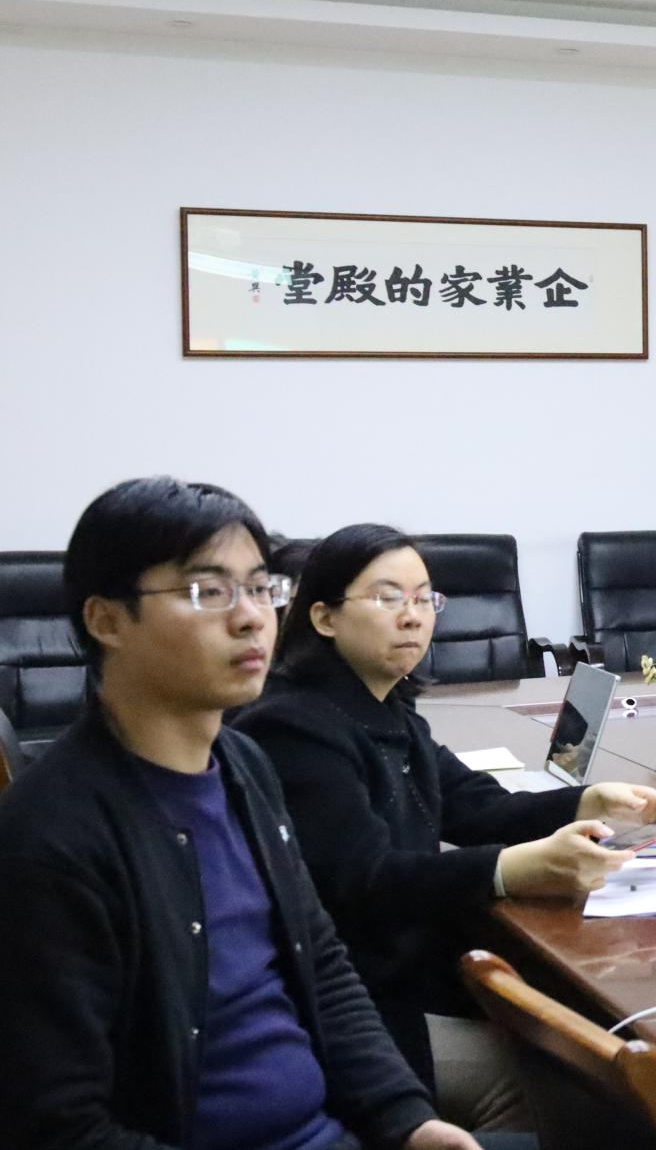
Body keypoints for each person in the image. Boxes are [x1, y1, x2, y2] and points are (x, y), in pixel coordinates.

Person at [0, 478, 491, 1150]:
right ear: (106, 620)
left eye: (261, 588)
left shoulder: (243, 764)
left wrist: (409, 1121)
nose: (252, 617)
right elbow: (60, 1128)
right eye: (209, 591)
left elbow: (321, 965)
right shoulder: (52, 838)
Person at [238, 524, 656, 1129]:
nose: (413, 616)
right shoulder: (295, 727)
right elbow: (368, 881)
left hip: (413, 976)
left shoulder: (383, 705)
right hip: (356, 1007)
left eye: (425, 599)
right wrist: (508, 870)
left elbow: (475, 805)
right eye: (388, 597)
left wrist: (586, 801)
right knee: (575, 1089)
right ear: (324, 617)